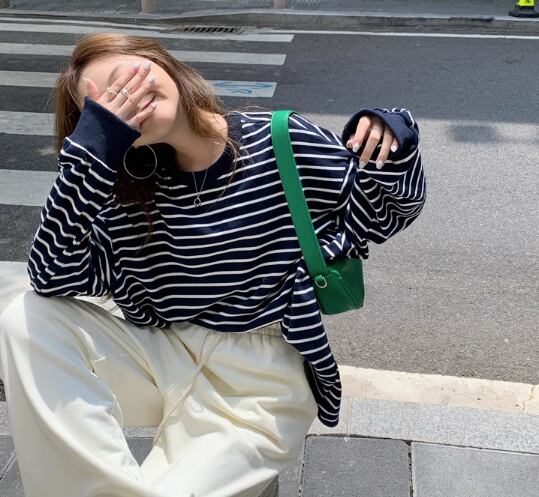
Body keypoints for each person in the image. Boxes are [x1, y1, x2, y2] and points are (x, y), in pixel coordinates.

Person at [0, 32, 426, 497]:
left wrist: (394, 135)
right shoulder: (130, 189)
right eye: (109, 107)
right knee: (26, 317)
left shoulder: (280, 141)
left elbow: (384, 214)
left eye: (131, 76)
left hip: (259, 380)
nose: (131, 98)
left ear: (166, 65)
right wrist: (91, 159)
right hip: (161, 355)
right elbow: (51, 275)